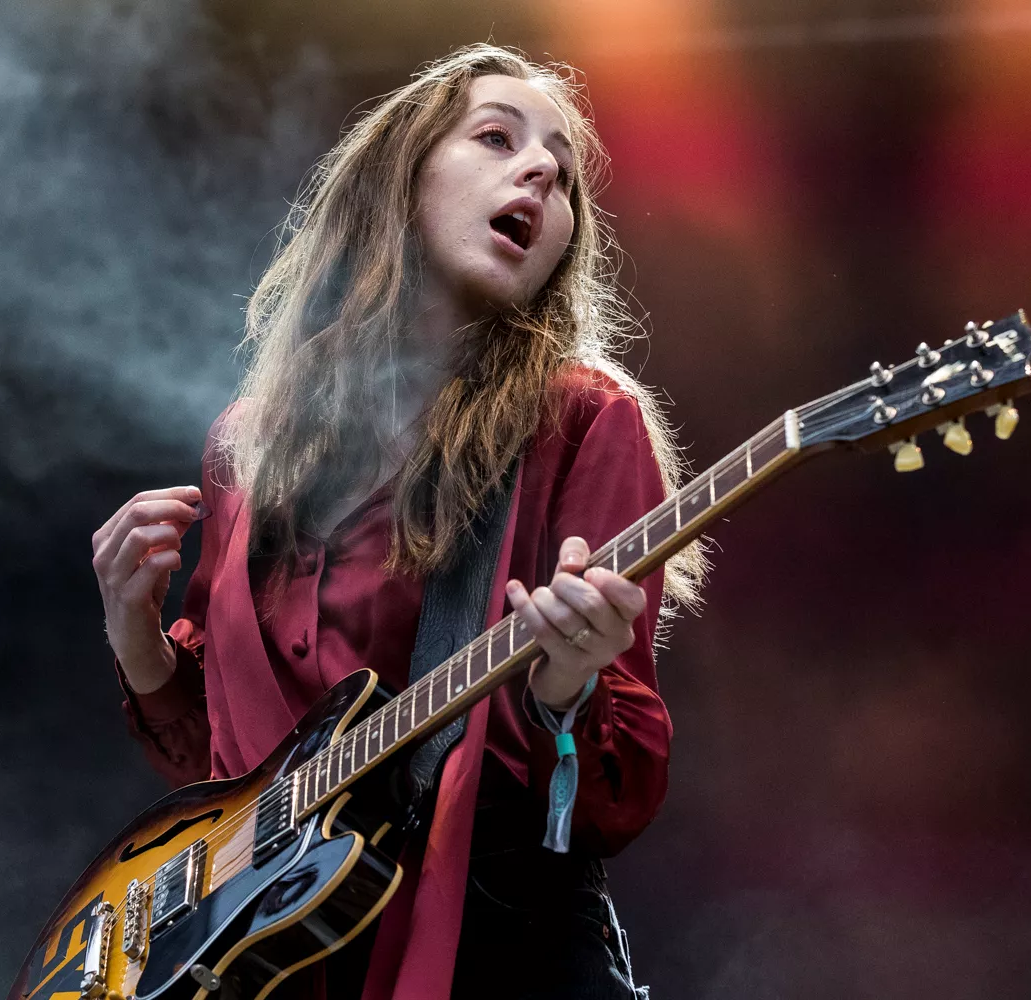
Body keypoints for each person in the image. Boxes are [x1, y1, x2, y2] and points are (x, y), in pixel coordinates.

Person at [89, 43, 705, 1000]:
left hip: (491, 946)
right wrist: (136, 638)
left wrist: (566, 687)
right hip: (276, 964)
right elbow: (232, 774)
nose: (542, 172)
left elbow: (617, 794)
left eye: (564, 172)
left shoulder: (581, 420)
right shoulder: (246, 447)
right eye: (496, 137)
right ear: (399, 177)